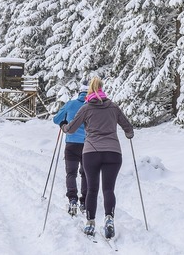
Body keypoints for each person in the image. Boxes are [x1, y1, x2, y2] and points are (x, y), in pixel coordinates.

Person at [61, 76, 134, 239]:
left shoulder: (86, 108)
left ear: (90, 91)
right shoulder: (113, 107)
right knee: (108, 189)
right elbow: (127, 126)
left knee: (92, 189)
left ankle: (90, 223)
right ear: (102, 89)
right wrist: (129, 134)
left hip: (91, 152)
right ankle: (109, 218)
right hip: (113, 153)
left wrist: (64, 127)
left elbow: (71, 128)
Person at [52, 80, 89, 216]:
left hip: (71, 144)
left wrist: (64, 122)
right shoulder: (91, 106)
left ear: (79, 92)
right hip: (88, 145)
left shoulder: (71, 104)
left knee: (71, 173)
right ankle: (84, 202)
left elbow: (56, 119)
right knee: (85, 174)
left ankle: (72, 200)